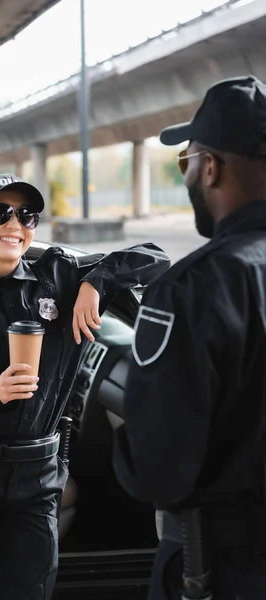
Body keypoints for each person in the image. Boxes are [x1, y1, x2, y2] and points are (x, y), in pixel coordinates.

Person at [0, 172, 170, 600]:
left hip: (38, 482)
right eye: (0, 213)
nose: (14, 225)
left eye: (26, 215)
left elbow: (155, 257)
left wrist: (96, 283)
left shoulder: (59, 275)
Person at [113, 75, 266, 600]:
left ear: (210, 166)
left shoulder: (194, 288)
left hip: (221, 570)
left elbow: (157, 472)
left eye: (186, 162)